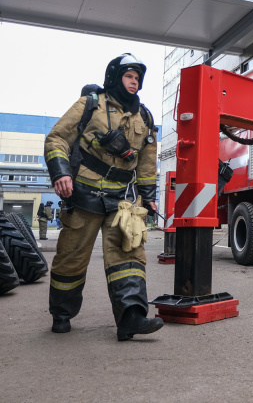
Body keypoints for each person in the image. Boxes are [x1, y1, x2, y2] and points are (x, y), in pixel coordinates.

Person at [44, 53, 163, 341]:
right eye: (128, 76)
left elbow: (147, 161)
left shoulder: (144, 116)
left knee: (129, 255)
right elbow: (56, 138)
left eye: (137, 78)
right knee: (71, 259)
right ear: (114, 77)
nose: (134, 82)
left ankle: (131, 318)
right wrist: (61, 173)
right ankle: (62, 313)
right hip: (83, 196)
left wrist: (148, 196)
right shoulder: (90, 104)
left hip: (122, 202)